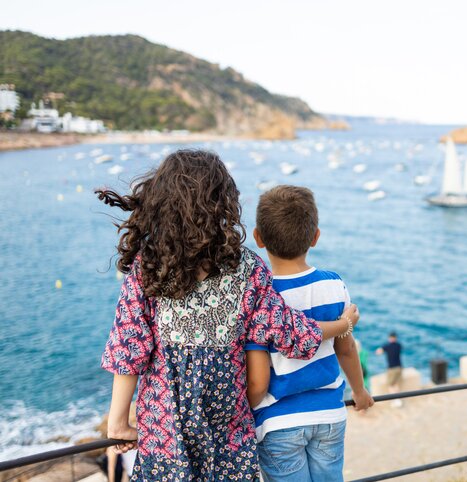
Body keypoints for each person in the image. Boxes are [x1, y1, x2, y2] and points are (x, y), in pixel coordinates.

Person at [96, 150, 359, 481]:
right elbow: (291, 332)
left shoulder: (146, 267)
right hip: (227, 426)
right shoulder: (246, 267)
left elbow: (130, 348)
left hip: (166, 426)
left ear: (160, 202)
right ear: (223, 204)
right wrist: (343, 324)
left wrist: (118, 421)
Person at [248, 184, 374, 482]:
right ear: (315, 236)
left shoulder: (259, 295)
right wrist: (359, 391)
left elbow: (257, 377)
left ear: (258, 237)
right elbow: (346, 348)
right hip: (329, 414)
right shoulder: (333, 285)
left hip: (278, 421)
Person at [376, 332, 403, 407]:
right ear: (396, 338)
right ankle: (398, 399)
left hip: (392, 368)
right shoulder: (399, 345)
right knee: (396, 384)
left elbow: (379, 351)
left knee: (390, 385)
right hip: (399, 367)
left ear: (390, 338)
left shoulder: (387, 346)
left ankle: (395, 400)